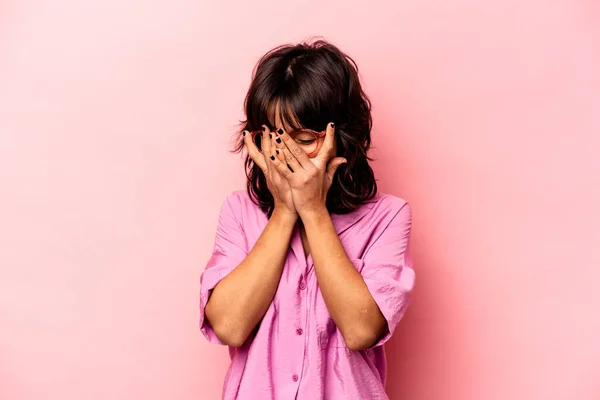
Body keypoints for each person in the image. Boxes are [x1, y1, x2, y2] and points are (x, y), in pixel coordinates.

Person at [199, 39, 415, 400]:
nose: (288, 155)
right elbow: (229, 327)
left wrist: (312, 210)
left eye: (305, 139)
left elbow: (362, 329)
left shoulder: (388, 217)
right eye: (275, 139)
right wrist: (285, 211)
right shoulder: (239, 211)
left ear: (343, 138)